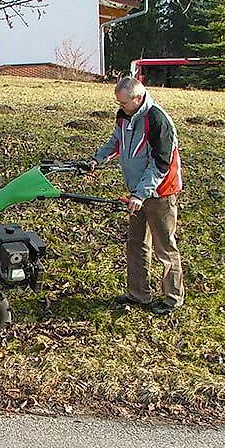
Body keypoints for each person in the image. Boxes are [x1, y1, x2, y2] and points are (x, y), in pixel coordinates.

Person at [89, 76, 185, 315]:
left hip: (160, 193)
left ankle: (173, 298)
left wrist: (141, 194)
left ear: (138, 98)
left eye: (123, 103)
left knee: (164, 248)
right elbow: (116, 141)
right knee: (136, 244)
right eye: (118, 103)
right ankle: (138, 294)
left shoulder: (157, 120)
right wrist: (97, 158)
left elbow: (161, 164)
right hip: (137, 193)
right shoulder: (124, 115)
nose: (119, 107)